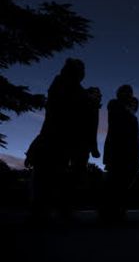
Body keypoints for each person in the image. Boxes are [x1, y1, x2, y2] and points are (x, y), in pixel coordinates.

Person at [25, 58, 94, 222]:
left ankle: (49, 211)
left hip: (63, 141)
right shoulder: (62, 85)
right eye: (79, 70)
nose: (81, 74)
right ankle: (42, 212)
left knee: (54, 178)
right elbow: (61, 111)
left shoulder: (74, 89)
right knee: (46, 178)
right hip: (55, 139)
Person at [101, 85, 139, 222]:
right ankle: (107, 211)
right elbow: (120, 117)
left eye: (130, 93)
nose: (130, 96)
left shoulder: (132, 116)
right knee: (113, 181)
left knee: (125, 182)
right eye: (126, 93)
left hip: (129, 152)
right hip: (116, 149)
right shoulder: (114, 104)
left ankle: (120, 210)